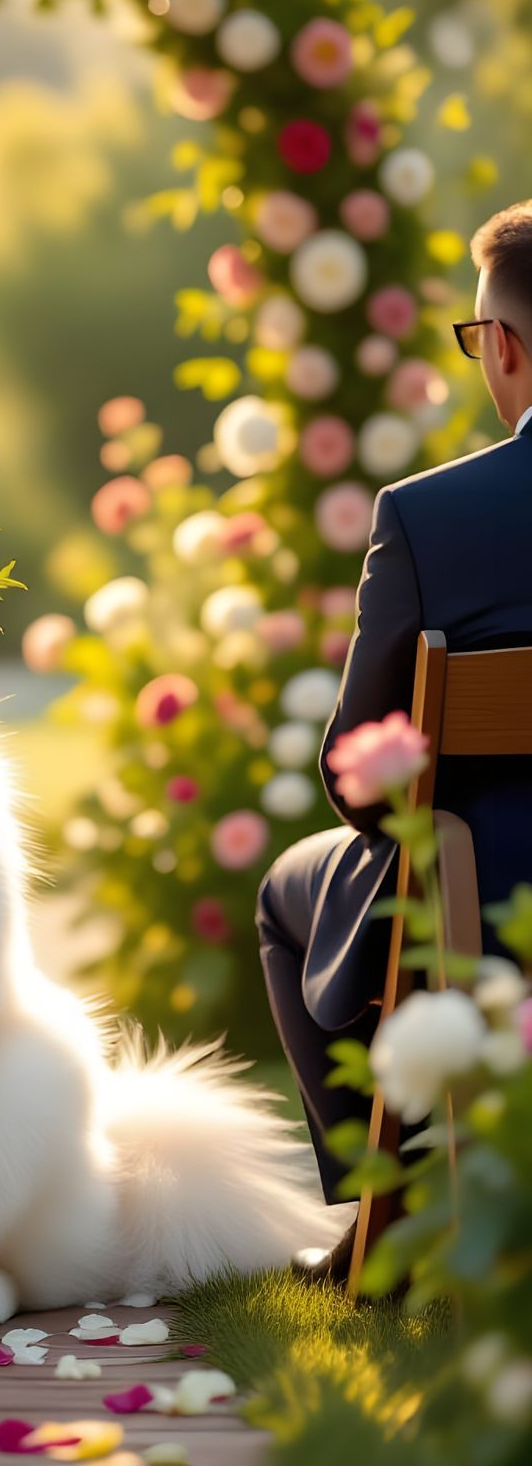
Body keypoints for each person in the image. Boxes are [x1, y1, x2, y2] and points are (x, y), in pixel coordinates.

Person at [256, 199, 532, 1283]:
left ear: (502, 345)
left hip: (483, 900)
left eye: (476, 338)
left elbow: (358, 772)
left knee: (294, 887)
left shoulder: (431, 514)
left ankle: (390, 1219)